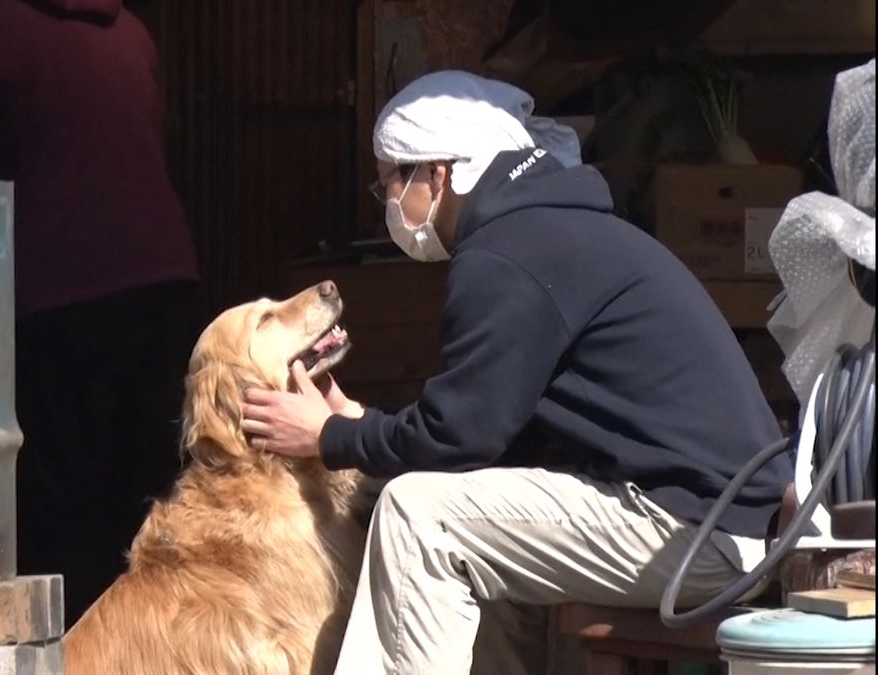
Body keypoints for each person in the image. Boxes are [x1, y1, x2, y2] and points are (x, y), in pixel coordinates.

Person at [241, 70, 793, 675]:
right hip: (725, 523)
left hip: (697, 533)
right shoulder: (552, 232)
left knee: (418, 515)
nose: (389, 210)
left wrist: (330, 437)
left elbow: (460, 438)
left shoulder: (506, 257)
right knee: (477, 544)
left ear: (440, 173)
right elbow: (489, 439)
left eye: (391, 185)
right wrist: (363, 425)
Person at [0, 0, 200, 627]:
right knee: (149, 498)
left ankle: (68, 656)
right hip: (165, 278)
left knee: (59, 505)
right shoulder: (132, 34)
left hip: (66, 286)